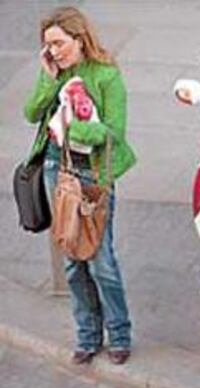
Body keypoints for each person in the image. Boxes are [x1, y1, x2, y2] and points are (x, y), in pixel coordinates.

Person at [23, 6, 136, 365]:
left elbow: (113, 133)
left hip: (94, 176)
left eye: (58, 43)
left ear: (79, 38)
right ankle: (87, 335)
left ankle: (119, 333)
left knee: (102, 261)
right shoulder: (57, 73)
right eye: (48, 46)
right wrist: (48, 77)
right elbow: (30, 113)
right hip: (59, 171)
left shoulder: (106, 76)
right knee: (72, 262)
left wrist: (72, 127)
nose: (54, 51)